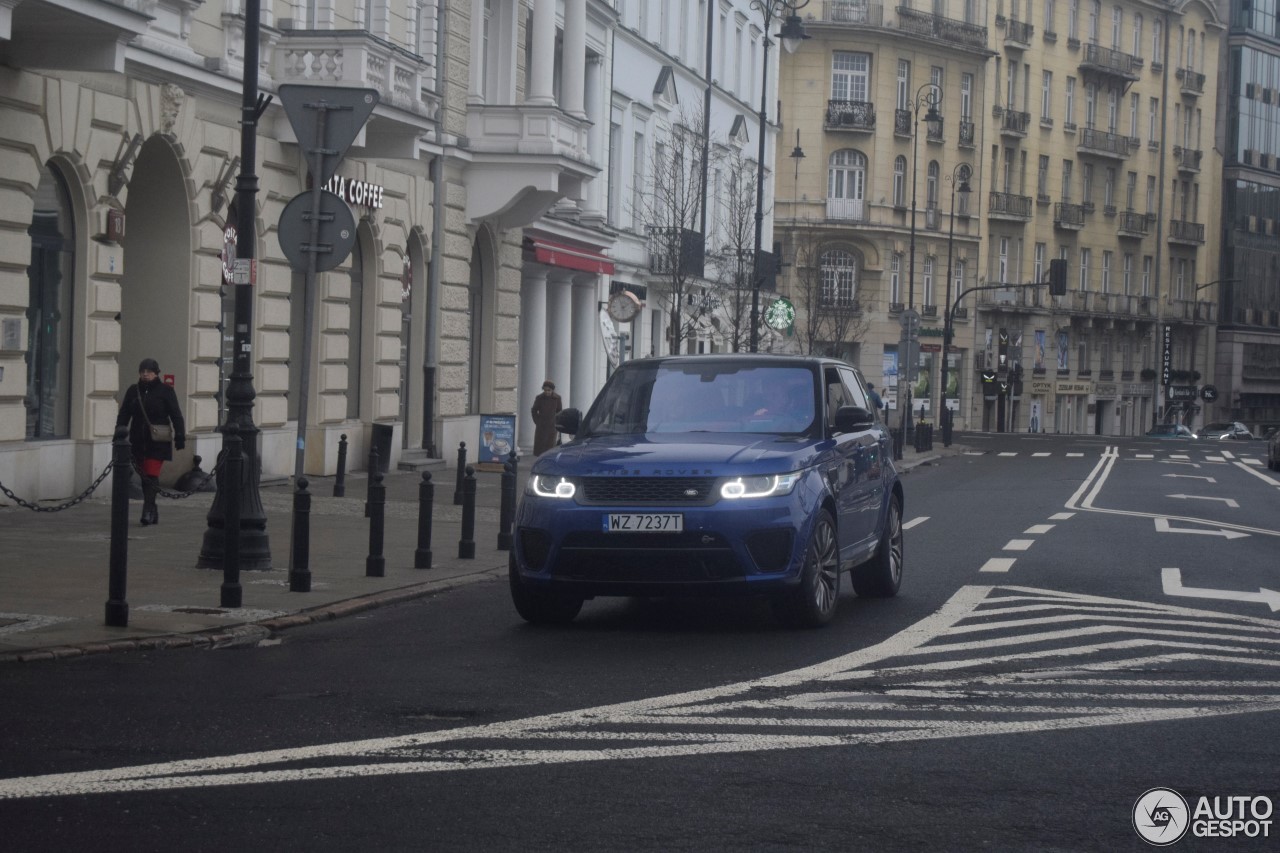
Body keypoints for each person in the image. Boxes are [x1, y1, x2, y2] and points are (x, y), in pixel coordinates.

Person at [116, 358, 185, 526]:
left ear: (156, 373)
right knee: (144, 474)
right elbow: (124, 413)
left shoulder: (165, 391)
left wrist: (180, 435)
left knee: (151, 473)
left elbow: (176, 414)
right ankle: (153, 508)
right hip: (138, 440)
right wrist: (118, 433)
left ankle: (147, 510)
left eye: (149, 371)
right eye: (143, 371)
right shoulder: (133, 391)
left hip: (157, 441)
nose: (145, 374)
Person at [530, 379, 562, 456]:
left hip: (552, 426)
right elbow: (534, 410)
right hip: (541, 426)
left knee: (550, 447)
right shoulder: (539, 398)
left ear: (552, 390)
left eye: (549, 390)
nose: (547, 392)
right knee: (540, 447)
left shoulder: (557, 398)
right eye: (545, 390)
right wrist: (537, 421)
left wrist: (557, 423)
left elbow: (559, 411)